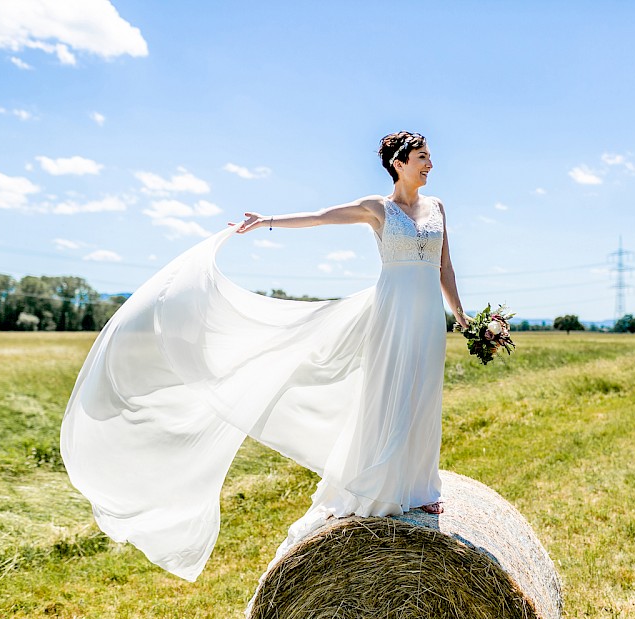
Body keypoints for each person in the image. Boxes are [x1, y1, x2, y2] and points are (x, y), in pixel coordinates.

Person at [60, 131, 467, 582]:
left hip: (428, 310)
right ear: (398, 162)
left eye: (429, 157)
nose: (430, 164)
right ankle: (383, 483)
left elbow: (445, 265)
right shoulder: (377, 208)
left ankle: (421, 485)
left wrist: (460, 313)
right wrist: (267, 220)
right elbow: (319, 218)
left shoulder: (438, 209)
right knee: (389, 387)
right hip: (392, 308)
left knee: (425, 390)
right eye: (423, 157)